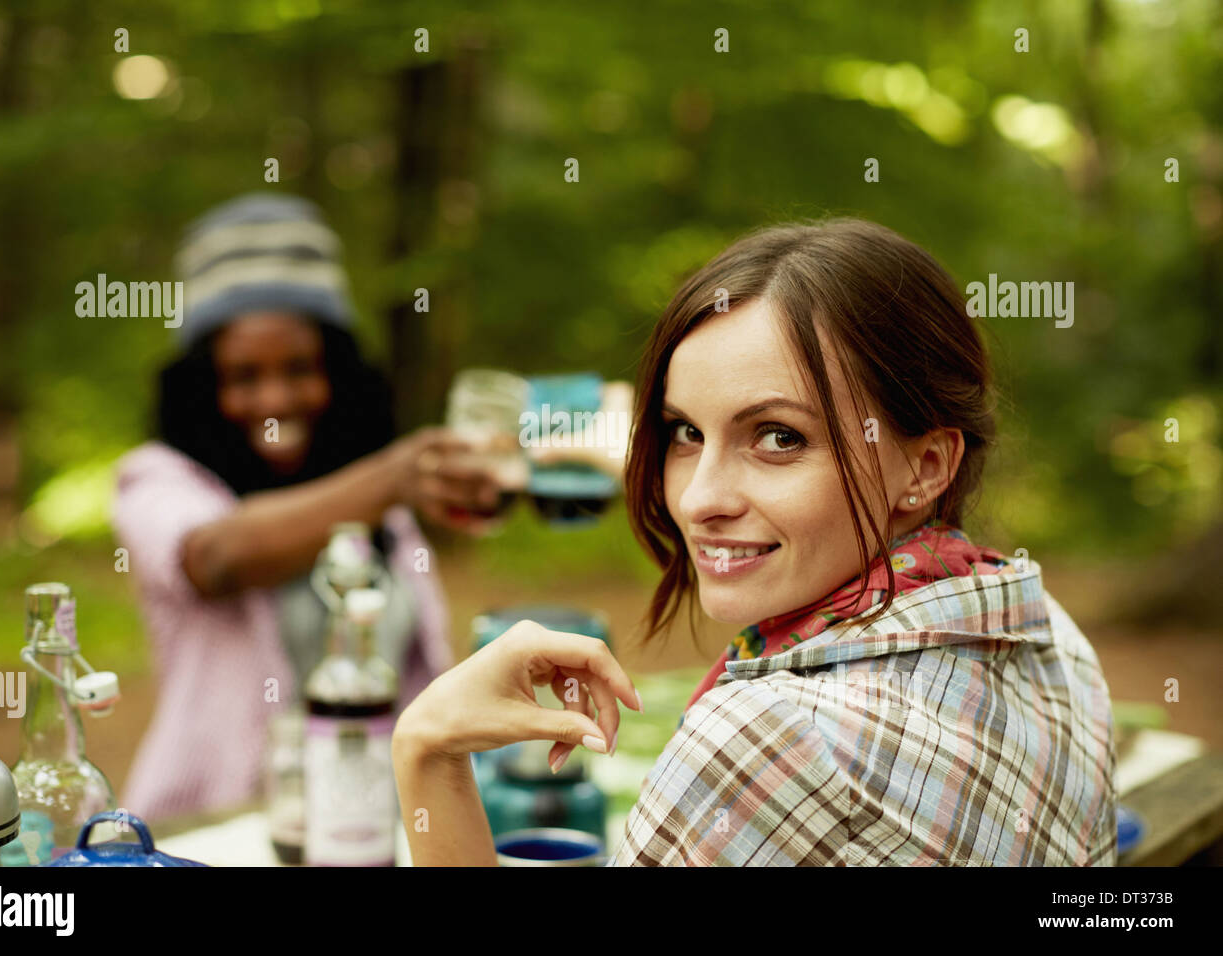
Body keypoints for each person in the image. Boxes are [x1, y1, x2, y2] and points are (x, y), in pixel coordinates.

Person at [391, 218, 1119, 866]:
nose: (701, 499)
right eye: (686, 432)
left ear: (926, 465)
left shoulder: (768, 737)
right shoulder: (1040, 627)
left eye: (778, 437)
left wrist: (427, 748)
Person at [112, 193, 500, 821]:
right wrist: (393, 478)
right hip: (216, 835)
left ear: (337, 373)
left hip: (380, 827)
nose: (275, 399)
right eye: (243, 376)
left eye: (299, 368)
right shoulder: (156, 480)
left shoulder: (374, 498)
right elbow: (214, 559)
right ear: (203, 386)